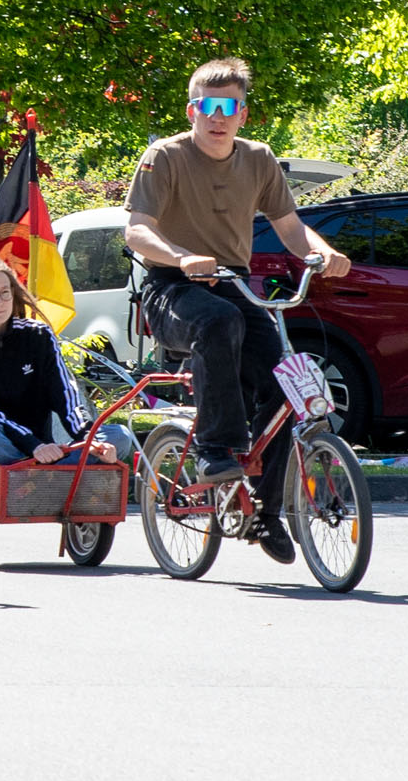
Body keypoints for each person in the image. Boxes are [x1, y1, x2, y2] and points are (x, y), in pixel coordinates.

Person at [123, 57, 351, 565]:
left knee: (285, 382)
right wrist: (181, 256)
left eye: (228, 106)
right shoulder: (165, 156)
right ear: (192, 110)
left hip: (232, 286)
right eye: (207, 105)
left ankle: (265, 511)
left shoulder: (259, 158)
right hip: (170, 287)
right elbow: (136, 229)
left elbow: (290, 225)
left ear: (243, 114)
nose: (217, 116)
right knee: (217, 323)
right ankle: (215, 448)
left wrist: (322, 253)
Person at [0, 253, 136, 466]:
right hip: (2, 449)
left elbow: (64, 392)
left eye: (4, 293)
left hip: (46, 451)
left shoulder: (39, 335)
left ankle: (49, 475)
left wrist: (88, 437)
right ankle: (37, 476)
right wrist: (33, 445)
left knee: (119, 436)